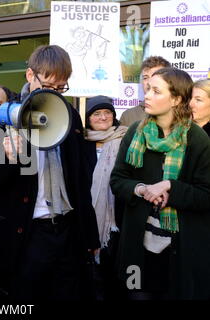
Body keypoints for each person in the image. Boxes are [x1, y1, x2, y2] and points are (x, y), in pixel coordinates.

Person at [0, 45, 100, 301]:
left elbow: (80, 182)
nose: (53, 94)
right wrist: (9, 158)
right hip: (27, 235)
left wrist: (90, 237)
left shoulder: (69, 116)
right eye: (47, 85)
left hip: (67, 231)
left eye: (60, 89)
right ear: (29, 75)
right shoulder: (2, 120)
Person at [110, 67, 210, 300]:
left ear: (175, 99)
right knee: (136, 295)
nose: (147, 95)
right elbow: (117, 180)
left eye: (156, 91)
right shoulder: (136, 132)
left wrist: (170, 187)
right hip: (137, 248)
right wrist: (141, 189)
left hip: (181, 250)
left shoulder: (197, 138)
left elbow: (206, 194)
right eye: (148, 89)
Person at [83, 96, 128, 300]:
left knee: (115, 278)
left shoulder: (125, 140)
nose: (103, 117)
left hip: (117, 220)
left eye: (107, 113)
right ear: (88, 118)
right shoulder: (81, 143)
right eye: (97, 113)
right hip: (88, 220)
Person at [119, 56, 171, 127]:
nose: (149, 82)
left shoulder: (180, 114)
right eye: (145, 77)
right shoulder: (128, 116)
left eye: (155, 76)